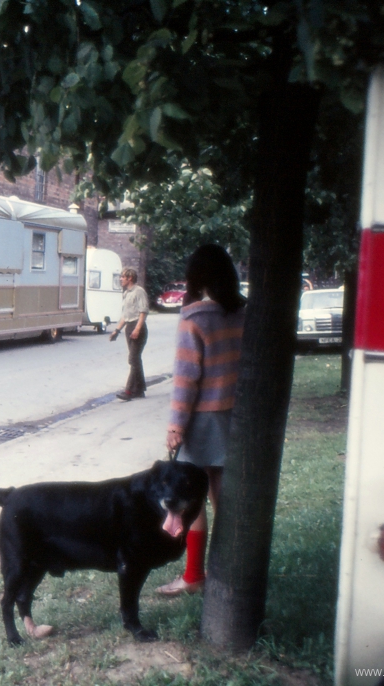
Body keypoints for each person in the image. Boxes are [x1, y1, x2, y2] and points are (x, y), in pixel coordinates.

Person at [156, 244, 246, 596]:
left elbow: (186, 379)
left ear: (195, 278)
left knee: (193, 498)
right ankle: (227, 571)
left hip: (201, 420)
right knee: (224, 499)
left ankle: (193, 575)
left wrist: (176, 426)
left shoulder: (194, 318)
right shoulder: (243, 312)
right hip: (234, 415)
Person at [109, 268, 149, 401]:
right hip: (129, 327)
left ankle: (128, 391)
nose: (120, 279)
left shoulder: (139, 292)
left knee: (133, 358)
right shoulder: (126, 293)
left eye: (122, 277)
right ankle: (139, 389)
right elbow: (125, 316)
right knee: (135, 359)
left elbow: (143, 312)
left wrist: (137, 329)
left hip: (138, 326)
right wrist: (117, 330)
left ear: (130, 278)